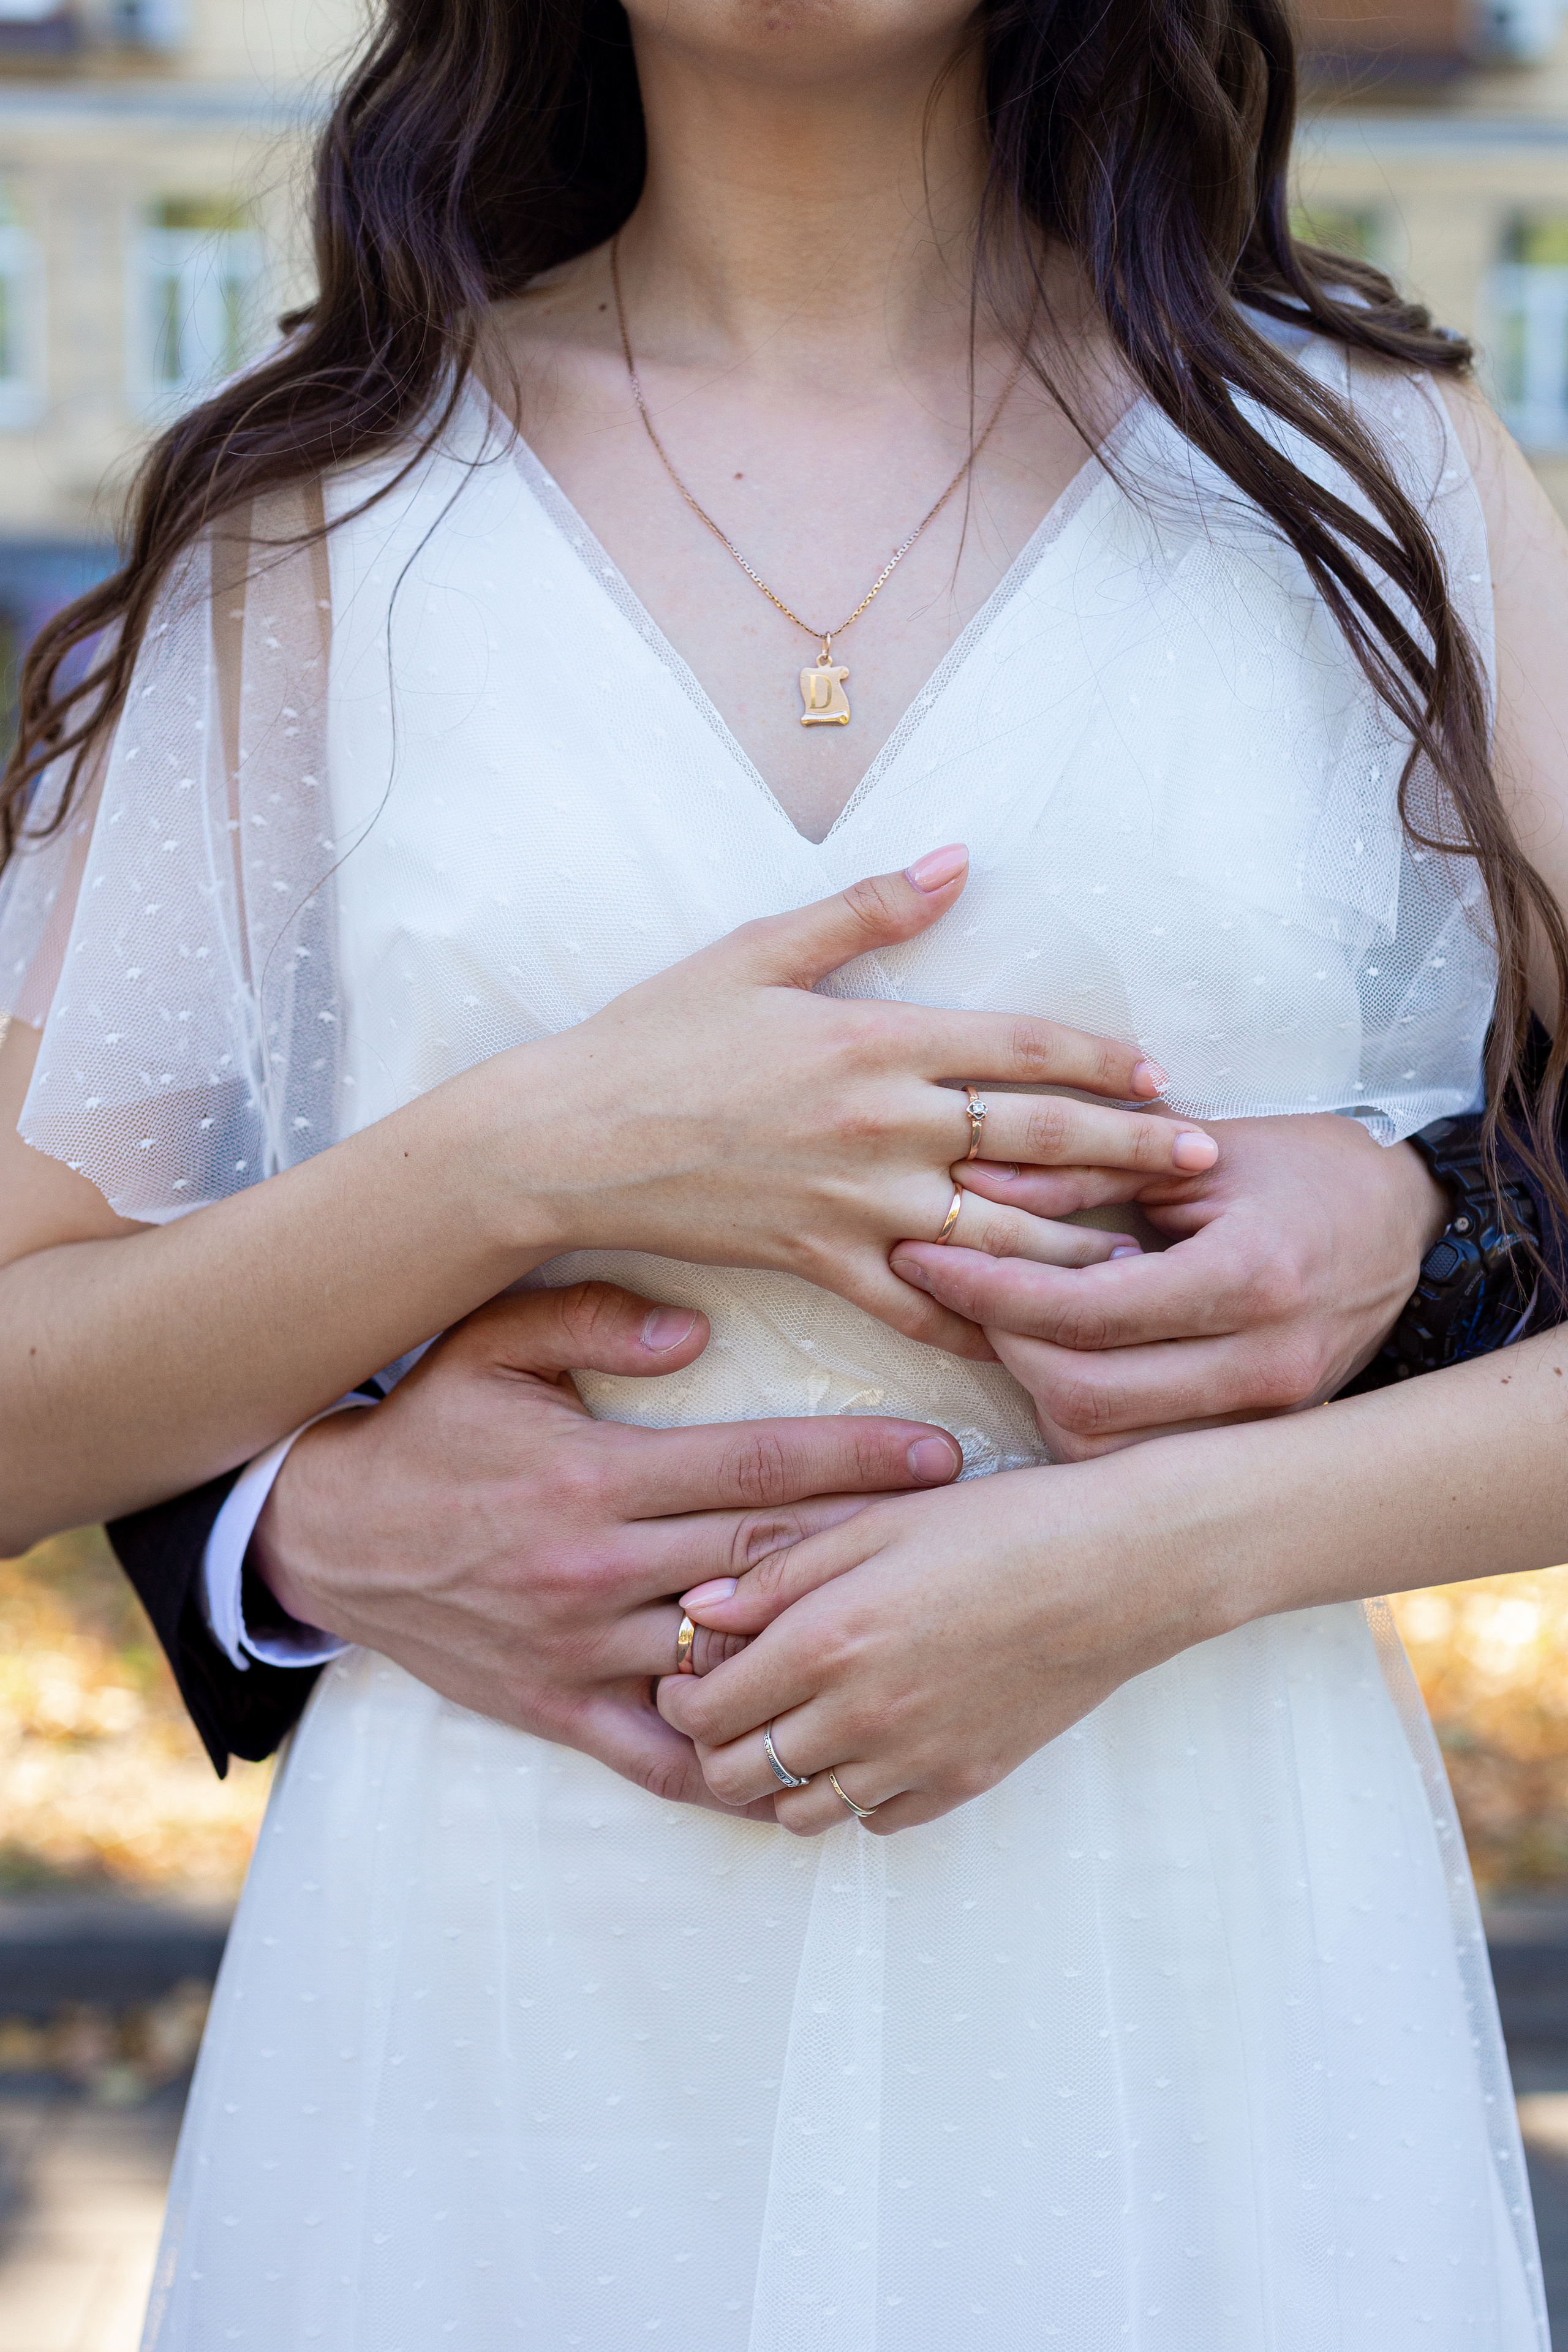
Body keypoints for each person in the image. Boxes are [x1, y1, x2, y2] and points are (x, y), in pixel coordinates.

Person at [2, 0, 1568, 2338]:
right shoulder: (325, 509)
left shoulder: (1363, 467)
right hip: (504, 2004)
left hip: (1197, 1960)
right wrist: (522, 1162)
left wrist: (1146, 1552)